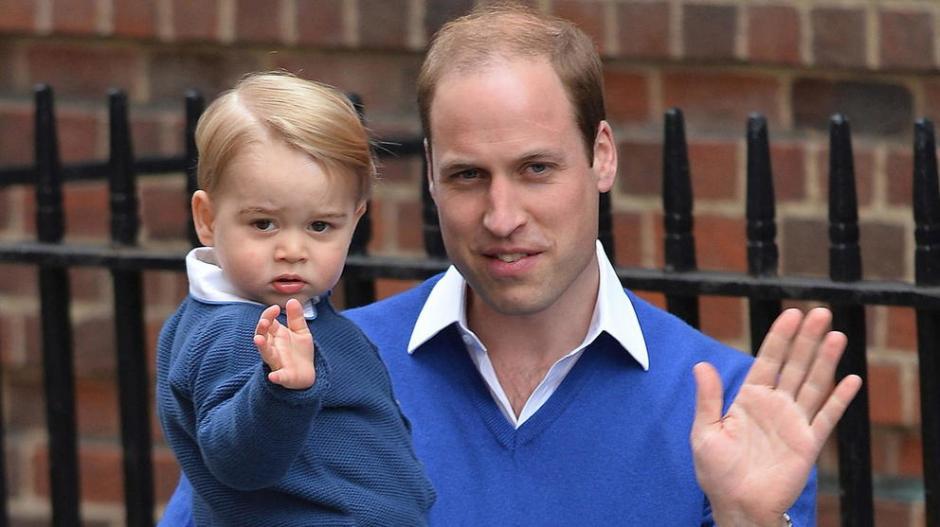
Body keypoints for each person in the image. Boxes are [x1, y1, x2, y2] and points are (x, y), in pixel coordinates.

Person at [160, 5, 861, 526]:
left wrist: (748, 522)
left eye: (535, 168)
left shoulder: (730, 406)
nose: (502, 216)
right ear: (430, 174)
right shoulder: (307, 361)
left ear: (602, 156)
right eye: (468, 175)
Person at [155, 71, 435, 526]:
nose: (292, 250)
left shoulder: (298, 314)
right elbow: (238, 462)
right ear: (207, 219)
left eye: (320, 226)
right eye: (263, 224)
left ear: (355, 220)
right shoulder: (237, 333)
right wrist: (281, 392)